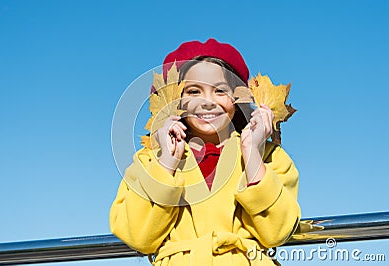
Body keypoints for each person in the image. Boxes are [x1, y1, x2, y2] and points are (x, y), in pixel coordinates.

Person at [110, 38, 300, 265]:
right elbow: (139, 237)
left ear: (237, 97)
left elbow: (278, 233)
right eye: (193, 91)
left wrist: (252, 155)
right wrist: (166, 166)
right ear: (175, 99)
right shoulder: (149, 161)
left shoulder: (269, 157)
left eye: (220, 91)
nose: (208, 102)